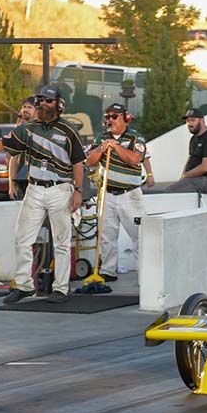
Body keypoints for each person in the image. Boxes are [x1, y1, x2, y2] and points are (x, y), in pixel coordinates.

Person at [0, 85, 85, 303]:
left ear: (58, 105)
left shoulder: (68, 130)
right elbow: (5, 142)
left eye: (48, 101)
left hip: (60, 188)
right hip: (34, 188)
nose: (43, 104)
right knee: (22, 238)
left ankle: (61, 288)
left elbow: (78, 162)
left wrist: (78, 191)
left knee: (61, 241)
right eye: (40, 100)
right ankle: (24, 285)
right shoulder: (29, 128)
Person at [85, 103, 147, 281]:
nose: (109, 120)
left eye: (114, 116)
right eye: (107, 117)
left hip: (130, 195)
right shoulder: (101, 137)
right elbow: (89, 161)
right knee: (107, 235)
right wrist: (101, 148)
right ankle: (107, 270)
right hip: (107, 193)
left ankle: (144, 274)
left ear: (125, 118)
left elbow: (135, 159)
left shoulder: (136, 138)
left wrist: (117, 146)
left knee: (139, 235)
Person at [165, 109, 207, 194]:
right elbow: (190, 160)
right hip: (194, 178)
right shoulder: (194, 138)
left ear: (202, 121)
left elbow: (205, 167)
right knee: (176, 190)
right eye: (188, 121)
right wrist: (182, 177)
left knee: (169, 192)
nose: (190, 124)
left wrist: (186, 175)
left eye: (193, 120)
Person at [8, 97, 36, 200]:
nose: (25, 109)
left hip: (41, 183)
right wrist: (11, 184)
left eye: (29, 107)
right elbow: (13, 159)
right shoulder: (19, 132)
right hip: (22, 181)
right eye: (24, 107)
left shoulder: (44, 130)